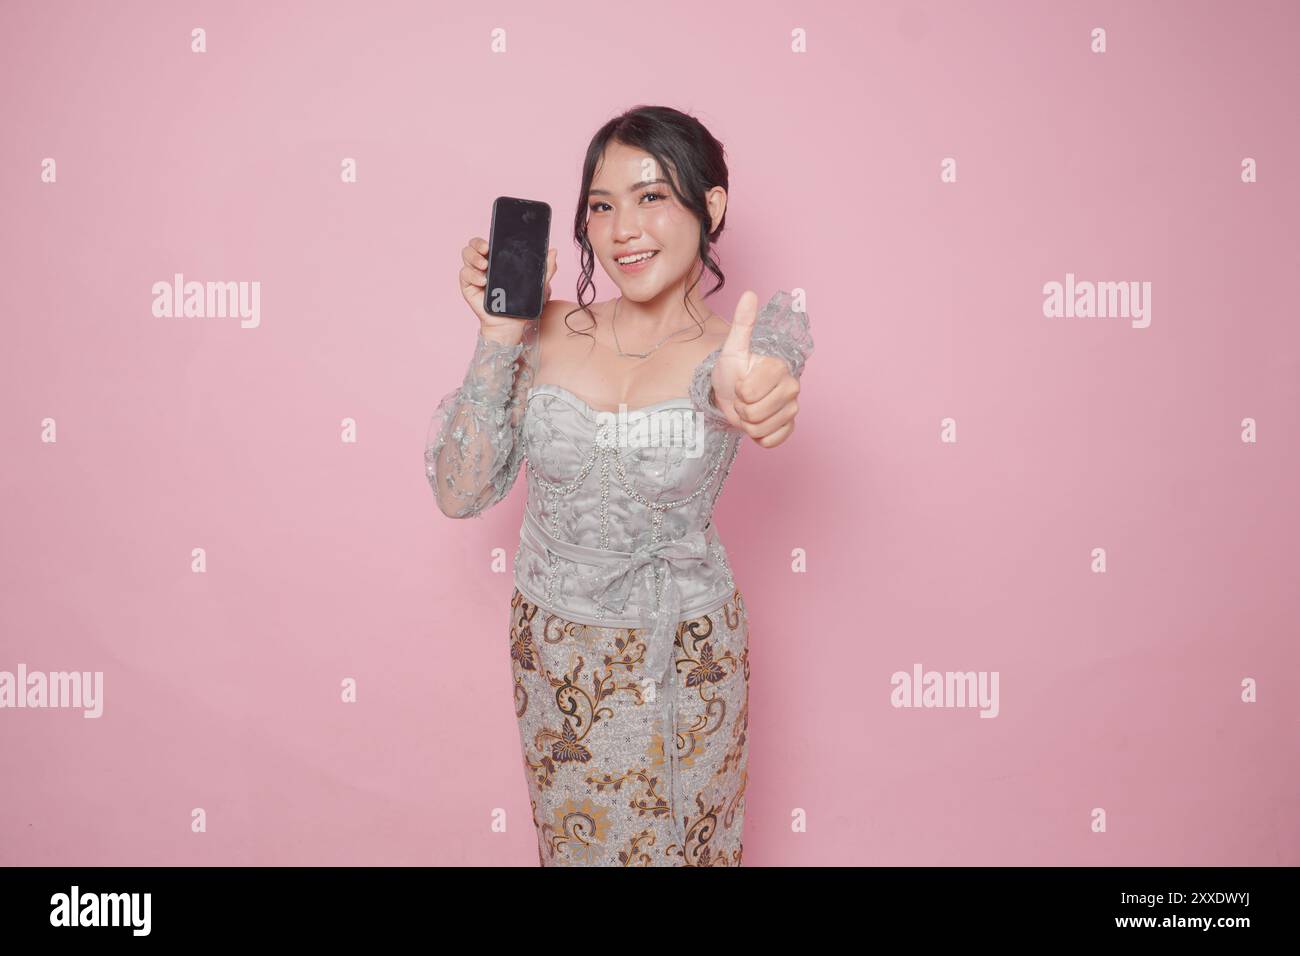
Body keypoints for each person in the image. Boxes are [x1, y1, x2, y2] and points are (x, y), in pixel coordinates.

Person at [425, 106, 814, 866]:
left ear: (713, 207)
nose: (624, 228)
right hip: (556, 658)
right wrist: (498, 335)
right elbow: (458, 490)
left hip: (685, 659)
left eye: (653, 196)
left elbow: (757, 381)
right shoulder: (547, 329)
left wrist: (752, 391)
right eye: (602, 206)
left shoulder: (742, 343)